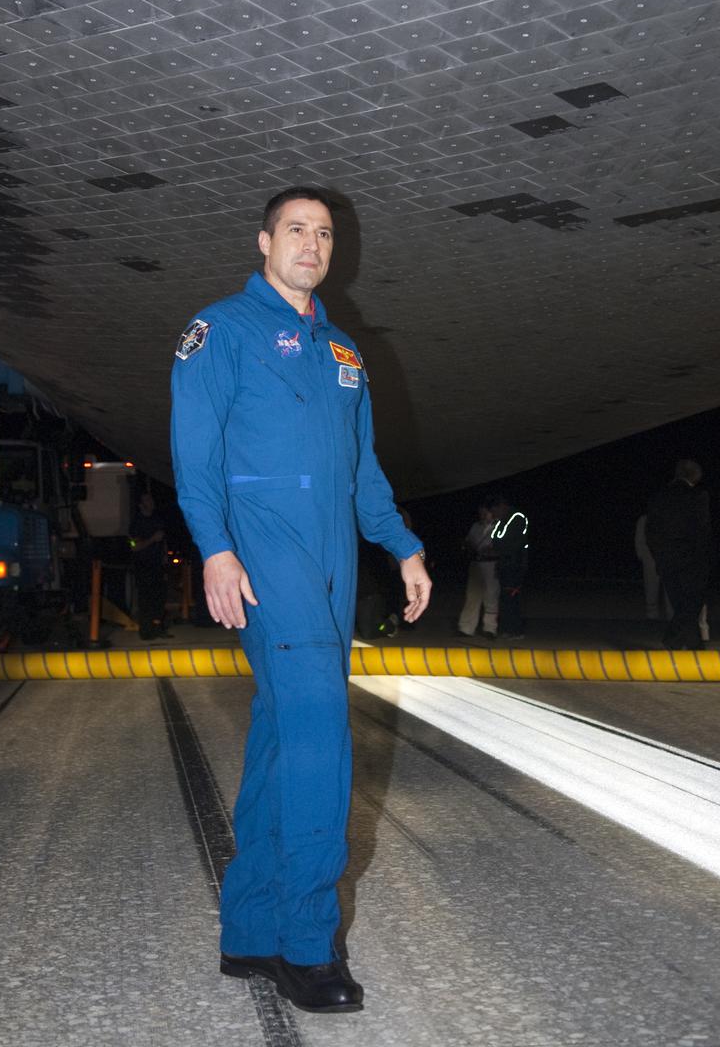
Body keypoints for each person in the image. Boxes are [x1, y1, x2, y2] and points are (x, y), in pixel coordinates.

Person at [170, 186, 431, 1014]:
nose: (312, 244)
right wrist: (213, 548)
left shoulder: (345, 351)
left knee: (284, 739)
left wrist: (403, 543)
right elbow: (194, 451)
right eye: (296, 230)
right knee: (321, 735)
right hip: (265, 561)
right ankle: (308, 946)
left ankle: (249, 933)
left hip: (333, 567)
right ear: (263, 241)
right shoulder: (220, 331)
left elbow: (362, 471)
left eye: (324, 233)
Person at [645, 460, 711, 650]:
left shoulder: (659, 496)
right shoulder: (699, 495)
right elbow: (702, 531)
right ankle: (673, 640)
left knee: (681, 603)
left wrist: (658, 556)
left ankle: (693, 645)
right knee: (692, 603)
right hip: (691, 559)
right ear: (695, 476)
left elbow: (651, 532)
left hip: (666, 559)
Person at [128, 491, 170, 640]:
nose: (151, 502)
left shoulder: (157, 520)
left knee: (158, 599)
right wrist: (152, 539)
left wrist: (165, 556)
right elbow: (134, 546)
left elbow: (163, 541)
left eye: (151, 499)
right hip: (143, 565)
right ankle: (146, 631)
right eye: (147, 499)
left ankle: (158, 628)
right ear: (141, 505)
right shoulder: (136, 524)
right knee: (145, 600)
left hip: (157, 565)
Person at [486, 495, 529, 640]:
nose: (493, 515)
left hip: (514, 564)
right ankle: (506, 629)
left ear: (502, 506)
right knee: (505, 597)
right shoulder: (500, 521)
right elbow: (495, 539)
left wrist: (498, 549)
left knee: (512, 597)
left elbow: (512, 543)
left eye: (494, 511)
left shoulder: (517, 517)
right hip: (503, 564)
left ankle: (516, 630)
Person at [456, 503, 499, 639]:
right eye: (480, 513)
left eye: (485, 512)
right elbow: (469, 541)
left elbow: (503, 547)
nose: (482, 516)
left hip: (491, 565)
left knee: (491, 597)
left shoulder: (499, 526)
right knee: (472, 596)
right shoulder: (476, 526)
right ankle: (466, 628)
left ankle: (490, 629)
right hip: (476, 564)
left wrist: (492, 551)